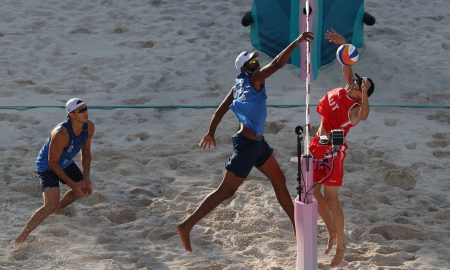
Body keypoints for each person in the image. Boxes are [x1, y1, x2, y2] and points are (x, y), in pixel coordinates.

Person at [176, 32, 314, 252]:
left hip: (257, 144)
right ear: (245, 68)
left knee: (279, 180)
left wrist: (211, 132)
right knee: (225, 191)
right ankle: (186, 226)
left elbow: (219, 112)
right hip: (248, 146)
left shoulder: (238, 86)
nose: (256, 61)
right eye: (252, 61)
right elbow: (278, 63)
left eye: (255, 59)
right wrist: (296, 42)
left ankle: (298, 228)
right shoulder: (255, 78)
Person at [310, 29, 375, 267]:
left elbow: (365, 116)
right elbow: (346, 66)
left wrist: (366, 94)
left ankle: (341, 246)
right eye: (358, 81)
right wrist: (345, 44)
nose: (355, 83)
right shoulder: (349, 88)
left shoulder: (356, 109)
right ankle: (332, 231)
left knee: (332, 198)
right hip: (317, 143)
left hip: (334, 151)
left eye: (360, 85)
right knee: (311, 191)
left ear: (362, 94)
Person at [15, 98, 95, 243]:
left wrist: (86, 178)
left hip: (65, 161)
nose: (85, 112)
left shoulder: (89, 127)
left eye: (86, 108)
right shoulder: (61, 133)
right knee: (50, 205)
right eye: (81, 110)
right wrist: (74, 185)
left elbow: (87, 154)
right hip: (47, 165)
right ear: (71, 114)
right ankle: (22, 237)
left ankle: (59, 209)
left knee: (82, 188)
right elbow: (53, 163)